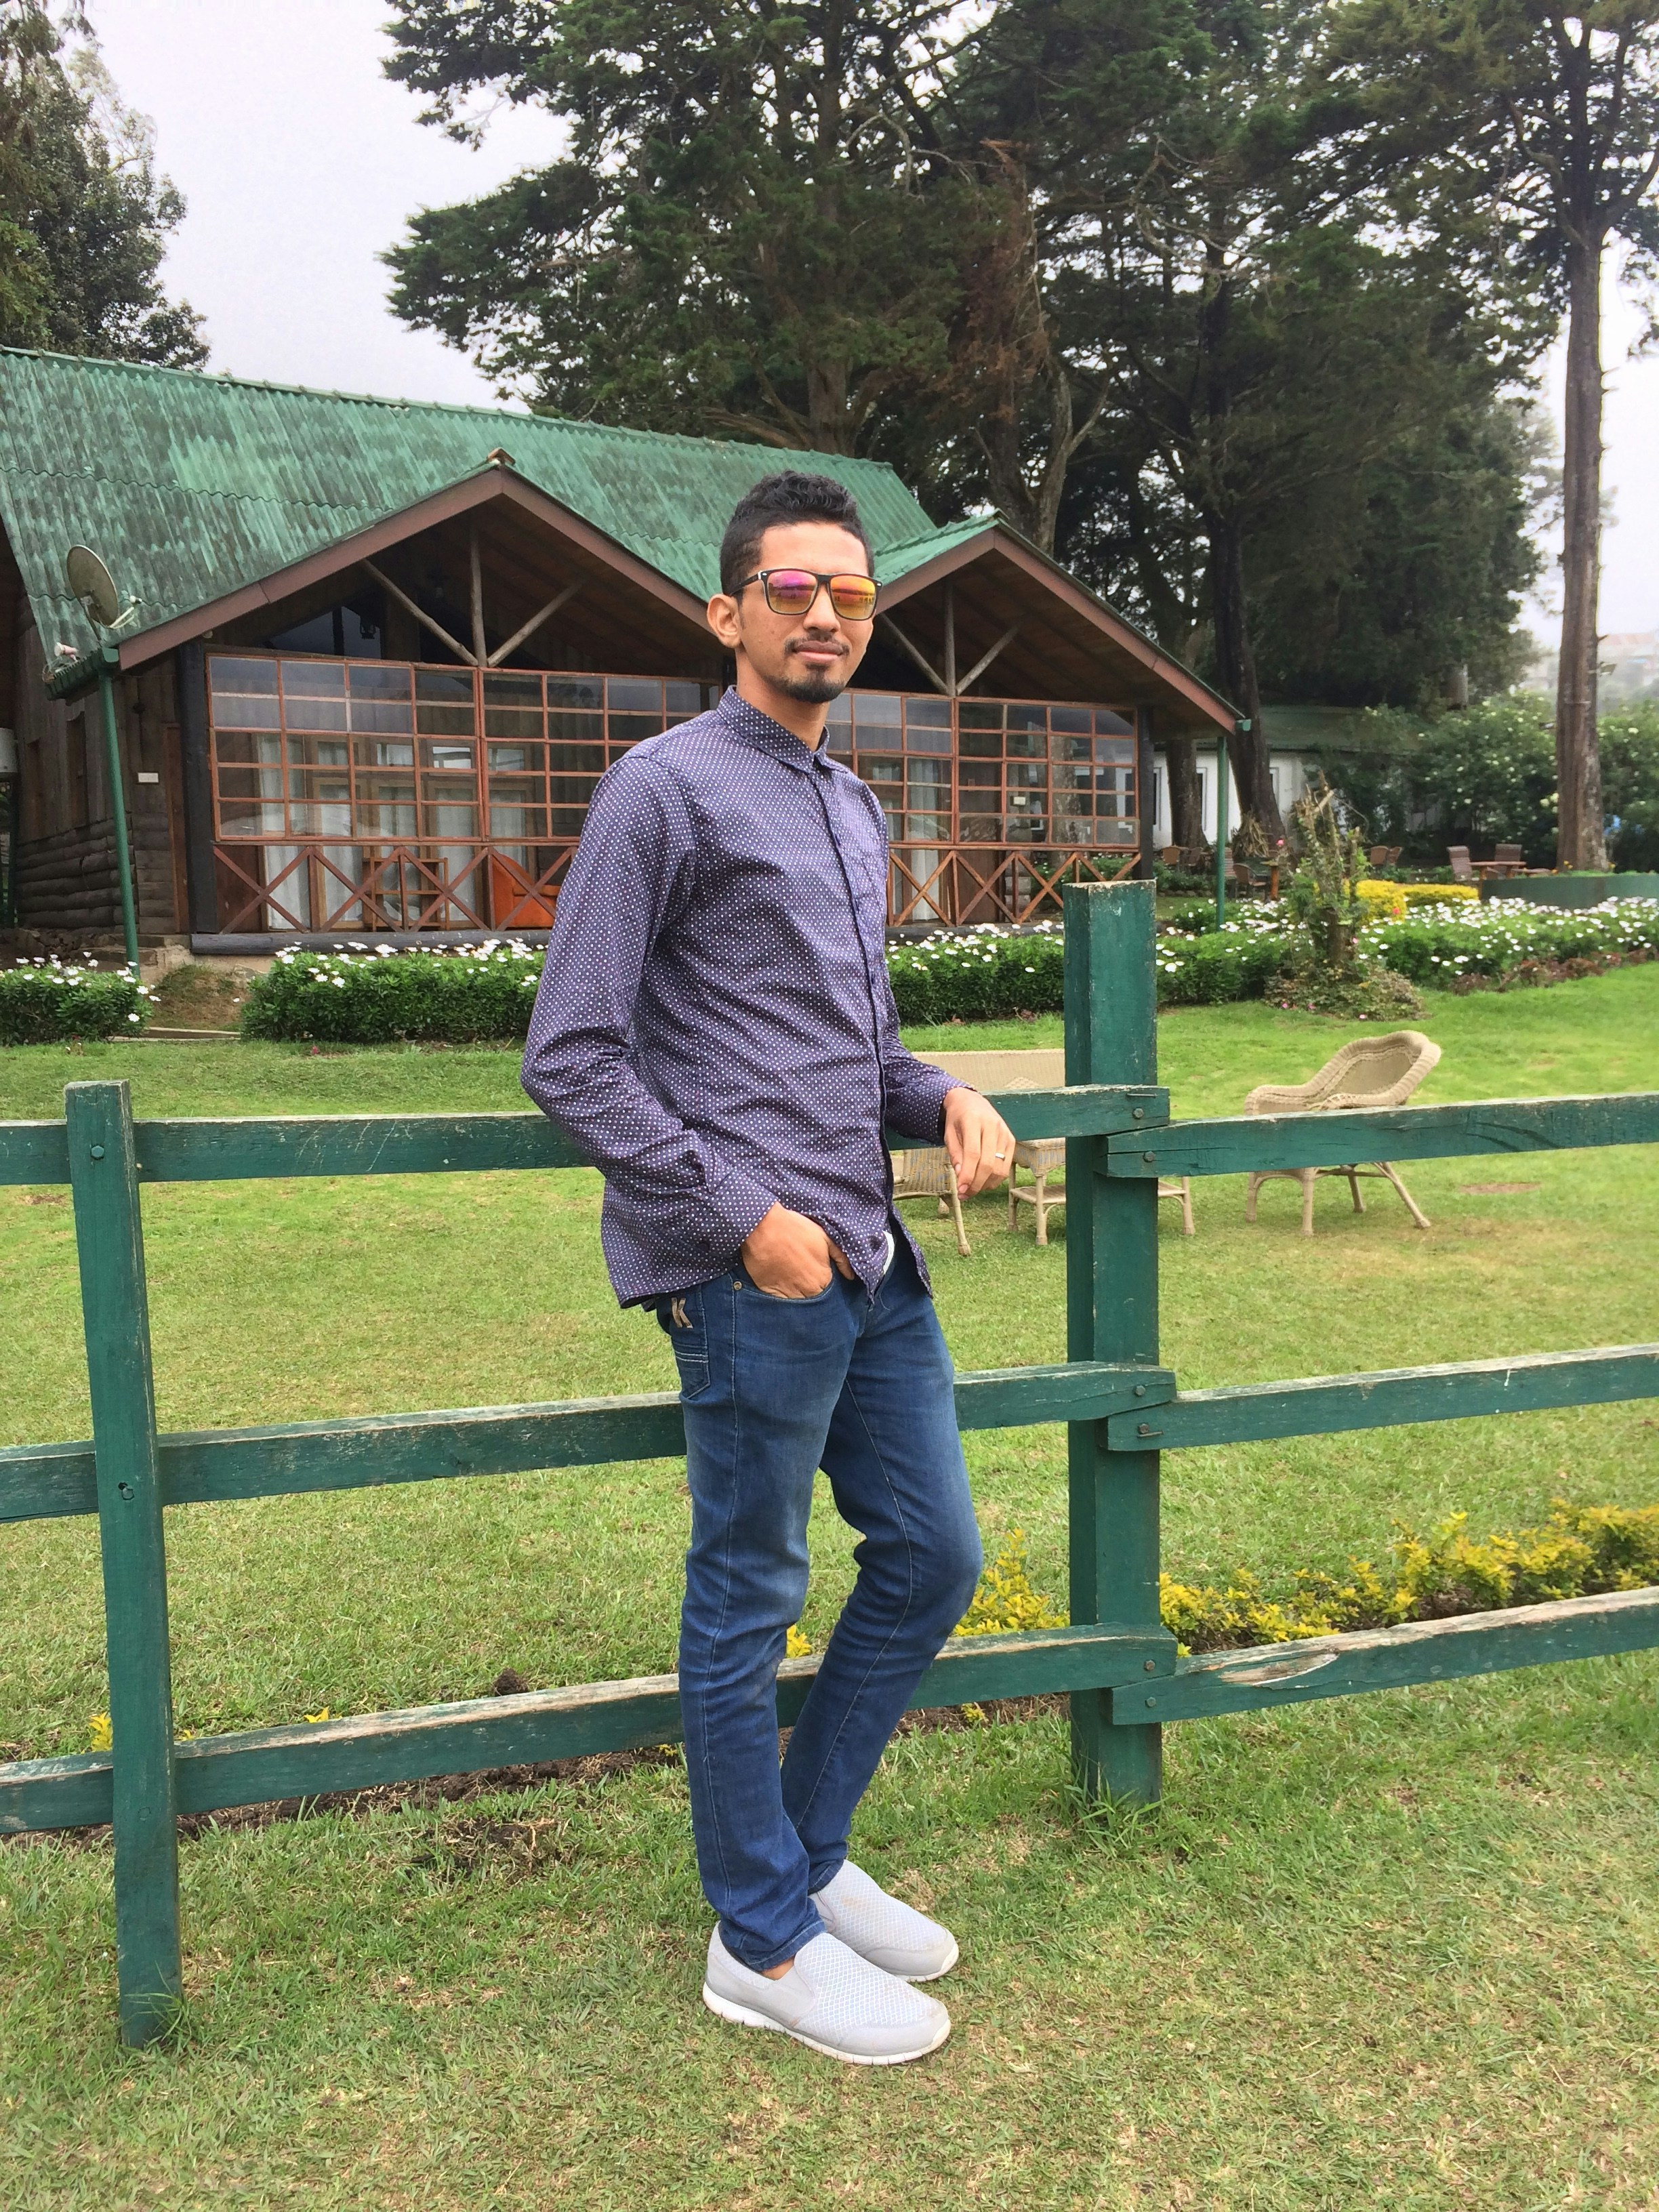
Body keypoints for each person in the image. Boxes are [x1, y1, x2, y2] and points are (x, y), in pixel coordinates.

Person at [522, 470, 1015, 2066]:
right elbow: (572, 1055)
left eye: (849, 594)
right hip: (754, 1273)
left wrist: (942, 1094)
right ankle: (760, 1941)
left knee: (933, 1557)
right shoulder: (662, 791)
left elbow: (858, 1051)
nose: (823, 616)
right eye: (790, 591)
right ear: (726, 611)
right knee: (749, 1597)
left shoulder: (851, 802)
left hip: (871, 1256)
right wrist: (740, 1218)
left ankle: (805, 1855)